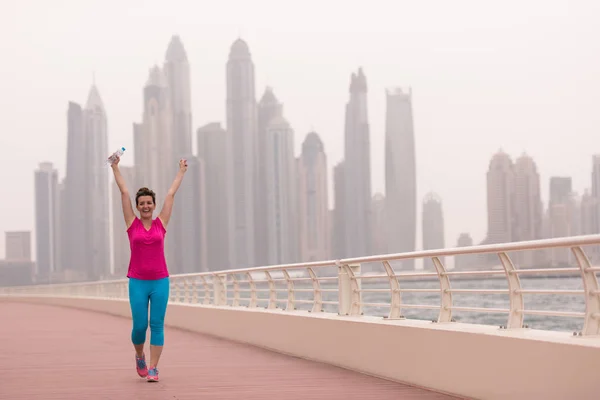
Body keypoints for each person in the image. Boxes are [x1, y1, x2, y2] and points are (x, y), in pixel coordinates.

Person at [111, 155, 187, 382]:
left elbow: (170, 194)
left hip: (160, 281)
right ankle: (139, 355)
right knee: (139, 326)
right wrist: (115, 167)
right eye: (142, 203)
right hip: (137, 281)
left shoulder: (160, 223)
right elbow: (124, 192)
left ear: (153, 206)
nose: (146, 206)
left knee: (156, 325)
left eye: (149, 203)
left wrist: (181, 171)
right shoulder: (131, 224)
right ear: (137, 206)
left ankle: (153, 368)